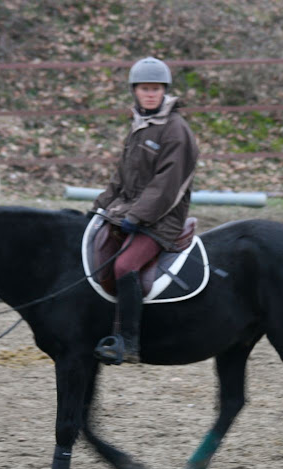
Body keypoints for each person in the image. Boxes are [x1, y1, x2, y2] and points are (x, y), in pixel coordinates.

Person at [91, 56, 199, 364]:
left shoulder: (176, 130)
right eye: (144, 88)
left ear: (164, 91)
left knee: (124, 266)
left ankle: (129, 342)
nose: (150, 94)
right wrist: (98, 208)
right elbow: (121, 177)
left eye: (156, 88)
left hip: (162, 218)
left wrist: (137, 216)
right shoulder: (139, 125)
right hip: (128, 212)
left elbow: (166, 186)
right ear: (134, 91)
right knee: (94, 252)